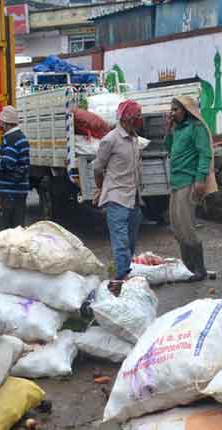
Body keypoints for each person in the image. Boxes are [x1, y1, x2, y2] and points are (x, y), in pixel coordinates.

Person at [164, 96, 217, 282]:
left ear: (186, 110)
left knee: (187, 227)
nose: (172, 113)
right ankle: (188, 268)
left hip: (188, 182)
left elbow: (205, 154)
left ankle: (199, 269)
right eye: (171, 109)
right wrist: (169, 131)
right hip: (176, 183)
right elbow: (170, 150)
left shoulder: (196, 128)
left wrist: (200, 179)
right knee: (177, 227)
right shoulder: (178, 129)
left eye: (175, 109)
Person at [93, 99, 144, 288]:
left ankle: (121, 273)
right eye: (136, 116)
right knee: (121, 242)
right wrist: (100, 189)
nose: (139, 119)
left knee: (131, 243)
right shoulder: (110, 140)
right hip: (116, 198)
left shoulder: (135, 139)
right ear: (127, 118)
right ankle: (121, 280)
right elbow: (98, 168)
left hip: (134, 198)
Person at [0, 105, 31, 229]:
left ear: (6, 123)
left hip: (11, 191)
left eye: (1, 121)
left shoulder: (12, 139)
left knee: (11, 230)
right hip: (15, 190)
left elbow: (7, 163)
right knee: (16, 227)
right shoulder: (16, 138)